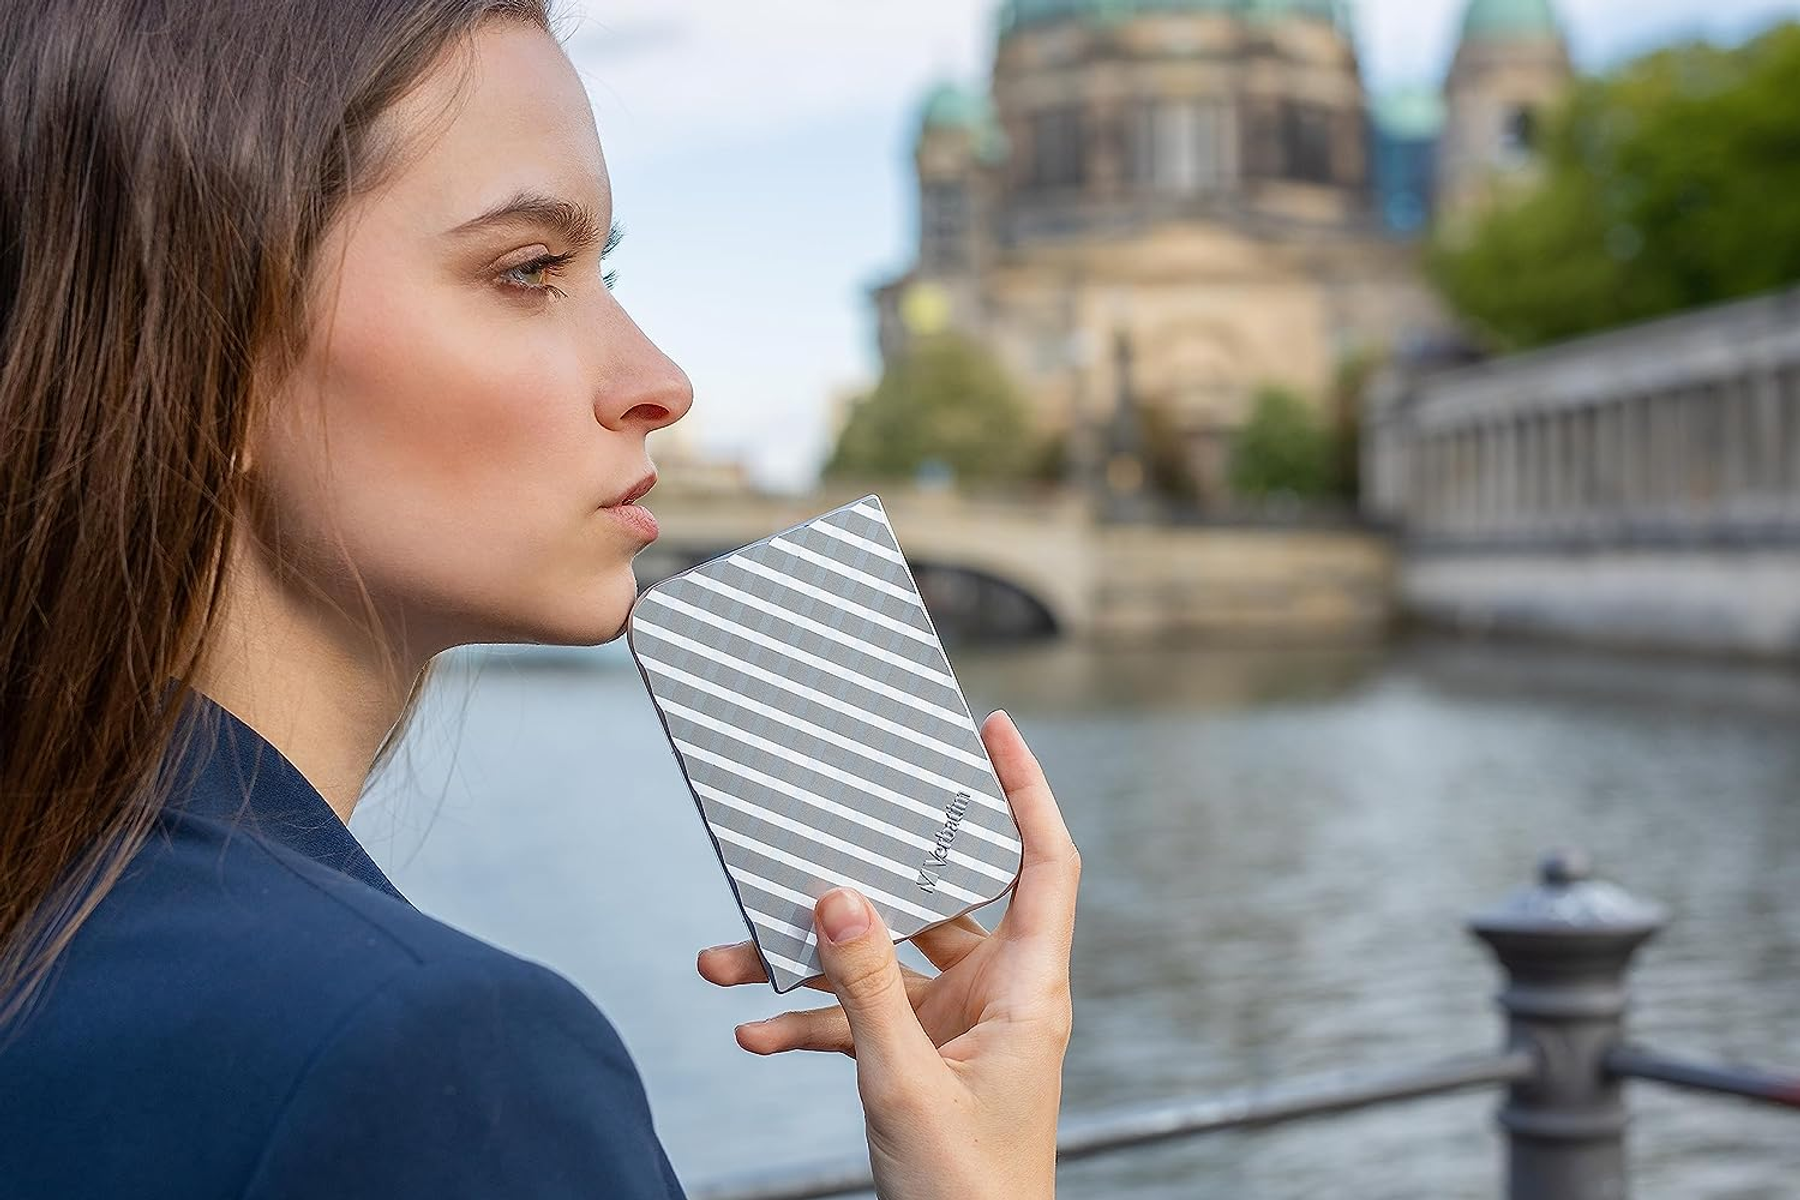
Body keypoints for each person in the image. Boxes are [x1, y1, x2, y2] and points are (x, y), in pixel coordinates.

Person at [0, 2, 1082, 1197]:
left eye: (602, 270)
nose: (661, 383)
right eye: (528, 271)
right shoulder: (435, 1060)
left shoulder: (67, 904)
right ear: (208, 346)